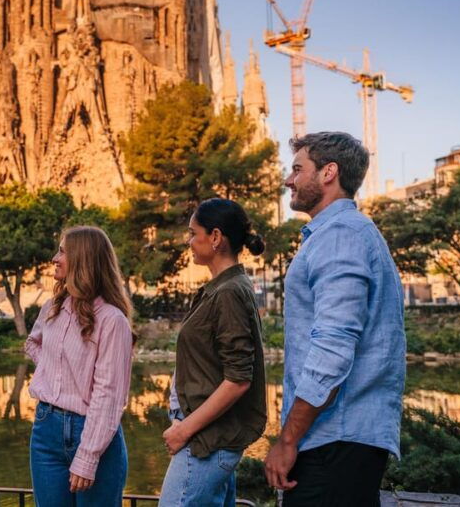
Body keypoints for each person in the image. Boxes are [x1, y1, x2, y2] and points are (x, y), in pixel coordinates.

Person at [264, 132, 405, 506]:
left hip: (334, 441)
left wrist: (288, 439)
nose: (288, 180)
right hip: (339, 440)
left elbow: (333, 349)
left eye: (297, 169)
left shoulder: (340, 235)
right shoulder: (341, 234)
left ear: (329, 173)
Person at [158, 198, 268, 507]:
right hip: (207, 439)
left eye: (193, 233)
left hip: (205, 442)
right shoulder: (223, 288)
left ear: (216, 237)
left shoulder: (229, 292)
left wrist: (184, 430)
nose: (189, 242)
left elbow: (238, 379)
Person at [25, 226, 134, 507]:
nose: (54, 258)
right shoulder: (53, 307)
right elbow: (33, 343)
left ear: (83, 260)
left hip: (92, 432)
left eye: (62, 252)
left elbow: (109, 395)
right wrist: (56, 371)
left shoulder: (112, 320)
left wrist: (87, 456)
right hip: (46, 429)